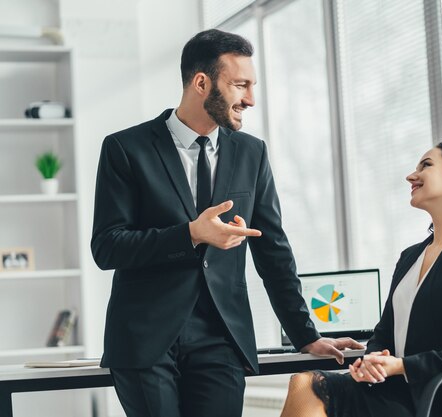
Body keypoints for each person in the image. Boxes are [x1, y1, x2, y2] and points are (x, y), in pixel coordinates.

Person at [91, 29, 362, 417]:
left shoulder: (252, 153)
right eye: (240, 85)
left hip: (221, 338)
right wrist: (190, 234)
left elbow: (273, 251)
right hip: (145, 339)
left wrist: (305, 336)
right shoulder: (125, 148)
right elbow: (107, 246)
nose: (250, 99)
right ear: (201, 83)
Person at [280, 141, 442, 417]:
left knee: (308, 385)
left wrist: (401, 366)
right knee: (303, 383)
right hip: (397, 389)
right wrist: (370, 361)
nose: (411, 176)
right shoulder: (411, 256)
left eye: (426, 165)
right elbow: (384, 333)